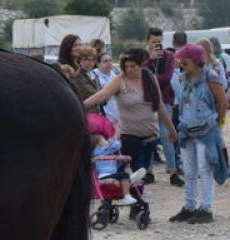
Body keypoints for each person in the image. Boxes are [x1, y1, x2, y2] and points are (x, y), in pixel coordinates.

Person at [83, 48, 177, 193]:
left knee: (142, 172)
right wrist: (79, 106)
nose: (129, 69)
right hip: (130, 136)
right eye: (126, 66)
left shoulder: (150, 78)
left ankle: (137, 202)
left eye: (133, 66)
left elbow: (160, 106)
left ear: (141, 65)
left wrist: (171, 130)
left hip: (151, 135)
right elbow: (100, 96)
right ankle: (137, 203)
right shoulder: (120, 80)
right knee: (135, 172)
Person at [168, 44, 228, 223]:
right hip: (187, 129)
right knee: (189, 170)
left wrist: (219, 124)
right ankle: (189, 206)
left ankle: (206, 208)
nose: (181, 64)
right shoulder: (183, 78)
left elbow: (222, 103)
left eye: (185, 61)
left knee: (205, 170)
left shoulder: (211, 76)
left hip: (206, 130)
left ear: (195, 60)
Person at [145, 26, 181, 186]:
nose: (156, 45)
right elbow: (139, 74)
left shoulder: (169, 56)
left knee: (167, 136)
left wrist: (151, 79)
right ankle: (148, 171)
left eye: (159, 42)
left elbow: (167, 78)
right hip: (146, 102)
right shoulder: (143, 56)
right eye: (153, 42)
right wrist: (150, 59)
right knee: (149, 137)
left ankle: (173, 171)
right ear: (147, 41)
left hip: (165, 100)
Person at [68, 44, 103, 111]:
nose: (88, 62)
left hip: (98, 113)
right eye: (85, 59)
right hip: (85, 113)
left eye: (92, 60)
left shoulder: (95, 74)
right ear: (80, 61)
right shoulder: (76, 77)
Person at [94, 51, 120, 124]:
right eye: (105, 61)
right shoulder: (94, 75)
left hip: (117, 114)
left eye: (110, 60)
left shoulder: (115, 74)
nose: (109, 63)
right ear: (98, 64)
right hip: (103, 114)